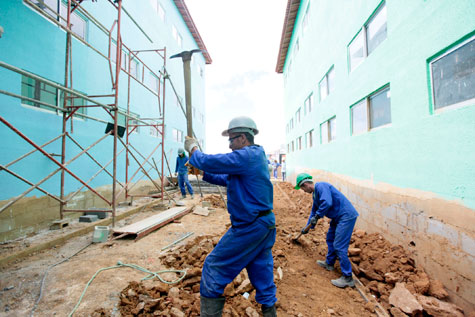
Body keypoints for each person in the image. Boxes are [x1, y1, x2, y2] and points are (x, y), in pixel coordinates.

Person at [184, 116, 277, 317]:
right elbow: (226, 178)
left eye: (232, 139)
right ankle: (270, 312)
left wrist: (193, 150)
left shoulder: (248, 155)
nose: (229, 144)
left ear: (243, 138)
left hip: (250, 226)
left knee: (213, 266)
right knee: (261, 270)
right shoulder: (251, 159)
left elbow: (211, 161)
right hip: (264, 225)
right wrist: (202, 172)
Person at [295, 173, 359, 288]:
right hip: (337, 217)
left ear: (305, 185)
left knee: (339, 245)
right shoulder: (315, 195)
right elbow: (313, 212)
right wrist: (307, 227)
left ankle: (348, 277)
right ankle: (329, 263)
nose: (303, 191)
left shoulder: (321, 186)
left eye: (302, 188)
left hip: (346, 216)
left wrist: (318, 216)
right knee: (330, 238)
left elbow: (327, 202)